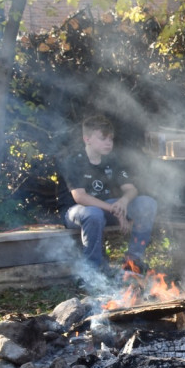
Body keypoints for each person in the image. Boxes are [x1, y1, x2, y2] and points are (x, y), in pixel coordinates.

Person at [58, 115, 157, 276]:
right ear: (87, 139)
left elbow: (131, 189)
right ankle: (93, 271)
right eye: (103, 138)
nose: (108, 142)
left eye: (110, 138)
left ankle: (133, 261)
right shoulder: (74, 161)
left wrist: (123, 202)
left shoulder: (112, 160)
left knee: (147, 203)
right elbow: (80, 197)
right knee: (94, 213)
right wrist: (114, 209)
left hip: (107, 208)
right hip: (76, 211)